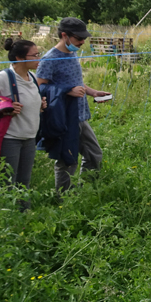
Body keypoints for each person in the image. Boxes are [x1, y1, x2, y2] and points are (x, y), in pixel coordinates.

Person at [0, 39, 47, 207]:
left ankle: (22, 220)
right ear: (20, 58)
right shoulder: (3, 78)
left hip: (29, 138)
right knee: (7, 183)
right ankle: (2, 222)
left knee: (24, 182)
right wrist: (3, 109)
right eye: (35, 55)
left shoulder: (32, 78)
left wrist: (40, 106)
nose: (39, 59)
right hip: (10, 139)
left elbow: (30, 104)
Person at [36, 17, 110, 192]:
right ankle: (64, 198)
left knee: (94, 153)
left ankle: (87, 190)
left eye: (84, 38)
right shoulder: (49, 59)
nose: (82, 42)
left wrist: (93, 92)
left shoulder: (73, 52)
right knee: (67, 158)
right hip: (63, 115)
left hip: (79, 114)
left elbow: (76, 82)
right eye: (79, 38)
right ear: (64, 36)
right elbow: (40, 87)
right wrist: (67, 91)